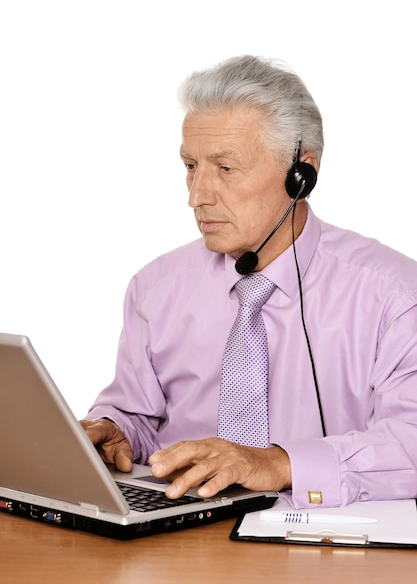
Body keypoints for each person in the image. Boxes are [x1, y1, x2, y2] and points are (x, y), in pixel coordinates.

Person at [81, 55, 417, 509]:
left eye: (225, 168)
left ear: (302, 174)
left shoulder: (393, 294)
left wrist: (277, 464)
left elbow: (409, 440)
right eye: (190, 166)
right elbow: (139, 416)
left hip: (323, 548)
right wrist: (114, 431)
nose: (195, 196)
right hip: (174, 537)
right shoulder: (154, 288)